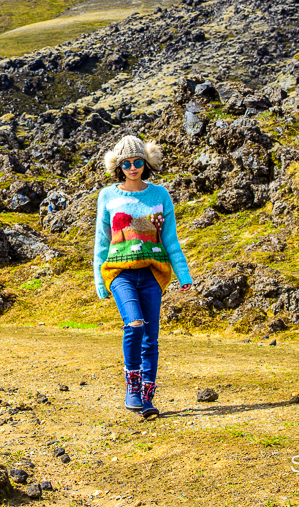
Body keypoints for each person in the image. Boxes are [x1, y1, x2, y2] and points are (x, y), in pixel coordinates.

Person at [93, 135, 193, 418]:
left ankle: (146, 398)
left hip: (152, 273)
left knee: (151, 338)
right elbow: (101, 242)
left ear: (146, 162)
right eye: (126, 163)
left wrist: (183, 274)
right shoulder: (108, 196)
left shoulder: (160, 194)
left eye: (138, 162)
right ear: (119, 166)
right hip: (119, 273)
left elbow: (170, 239)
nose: (133, 167)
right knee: (134, 323)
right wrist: (100, 281)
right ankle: (132, 387)